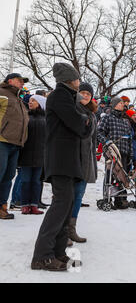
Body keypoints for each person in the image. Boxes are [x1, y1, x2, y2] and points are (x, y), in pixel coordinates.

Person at [32, 63, 92, 271]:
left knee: (66, 207)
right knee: (60, 206)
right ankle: (42, 255)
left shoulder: (66, 97)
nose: (79, 81)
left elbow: (82, 127)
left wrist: (85, 120)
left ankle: (57, 252)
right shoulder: (59, 96)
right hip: (61, 159)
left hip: (67, 159)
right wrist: (87, 119)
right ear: (70, 79)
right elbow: (79, 125)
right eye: (77, 78)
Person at [69, 82, 98, 243]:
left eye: (88, 94)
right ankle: (62, 229)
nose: (85, 96)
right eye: (83, 92)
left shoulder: (92, 114)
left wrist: (92, 163)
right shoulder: (72, 109)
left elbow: (93, 141)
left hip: (86, 159)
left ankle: (71, 228)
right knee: (68, 196)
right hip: (73, 158)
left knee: (79, 195)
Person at [0, 73, 30, 220]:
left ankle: (2, 207)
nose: (21, 83)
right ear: (10, 80)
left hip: (15, 144)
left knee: (8, 176)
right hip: (2, 140)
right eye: (19, 81)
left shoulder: (19, 99)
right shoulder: (2, 93)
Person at [97, 97, 133, 209]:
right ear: (115, 105)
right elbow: (99, 132)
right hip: (111, 151)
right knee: (110, 175)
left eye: (123, 103)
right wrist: (106, 142)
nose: (123, 105)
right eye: (121, 103)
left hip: (124, 152)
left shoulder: (125, 121)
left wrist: (131, 154)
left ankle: (119, 199)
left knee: (122, 176)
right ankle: (107, 198)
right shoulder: (107, 118)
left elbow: (130, 139)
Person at [18, 95, 47, 215]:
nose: (30, 103)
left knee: (36, 181)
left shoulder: (47, 119)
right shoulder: (25, 117)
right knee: (25, 181)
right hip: (25, 155)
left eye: (33, 101)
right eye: (29, 101)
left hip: (41, 156)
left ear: (40, 103)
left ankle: (34, 205)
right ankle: (24, 205)